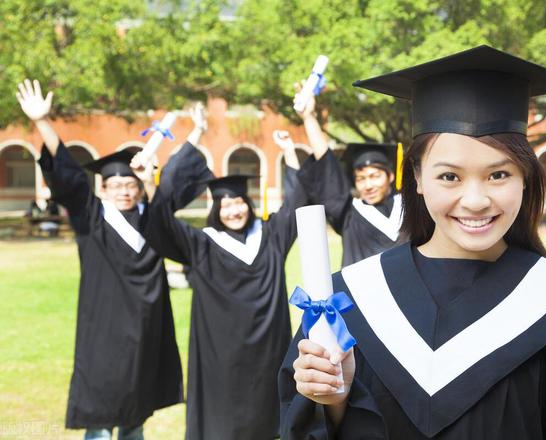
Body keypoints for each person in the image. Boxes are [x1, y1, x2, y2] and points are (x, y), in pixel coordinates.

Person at [278, 46, 546, 439]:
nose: (476, 200)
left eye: (498, 175)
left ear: (526, 177)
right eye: (449, 177)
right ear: (417, 178)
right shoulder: (348, 303)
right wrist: (335, 402)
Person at [16, 79, 183, 440]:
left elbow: (170, 224)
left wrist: (149, 181)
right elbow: (70, 178)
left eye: (130, 185)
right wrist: (44, 122)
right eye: (115, 186)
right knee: (102, 409)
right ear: (102, 188)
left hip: (145, 329)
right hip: (103, 331)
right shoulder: (91, 217)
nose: (124, 190)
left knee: (137, 410)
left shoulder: (150, 217)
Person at [135, 106, 308, 439]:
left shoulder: (270, 236)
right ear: (216, 209)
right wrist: (148, 183)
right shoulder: (202, 244)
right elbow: (163, 225)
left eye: (239, 202)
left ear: (249, 203)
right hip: (221, 356)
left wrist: (290, 153)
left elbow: (296, 205)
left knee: (268, 420)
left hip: (268, 354)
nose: (234, 209)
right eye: (226, 205)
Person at [293, 90, 406, 266]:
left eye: (375, 176)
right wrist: (309, 118)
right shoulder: (349, 213)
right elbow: (327, 168)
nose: (368, 185)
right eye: (360, 179)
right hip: (359, 293)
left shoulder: (409, 208)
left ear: (390, 176)